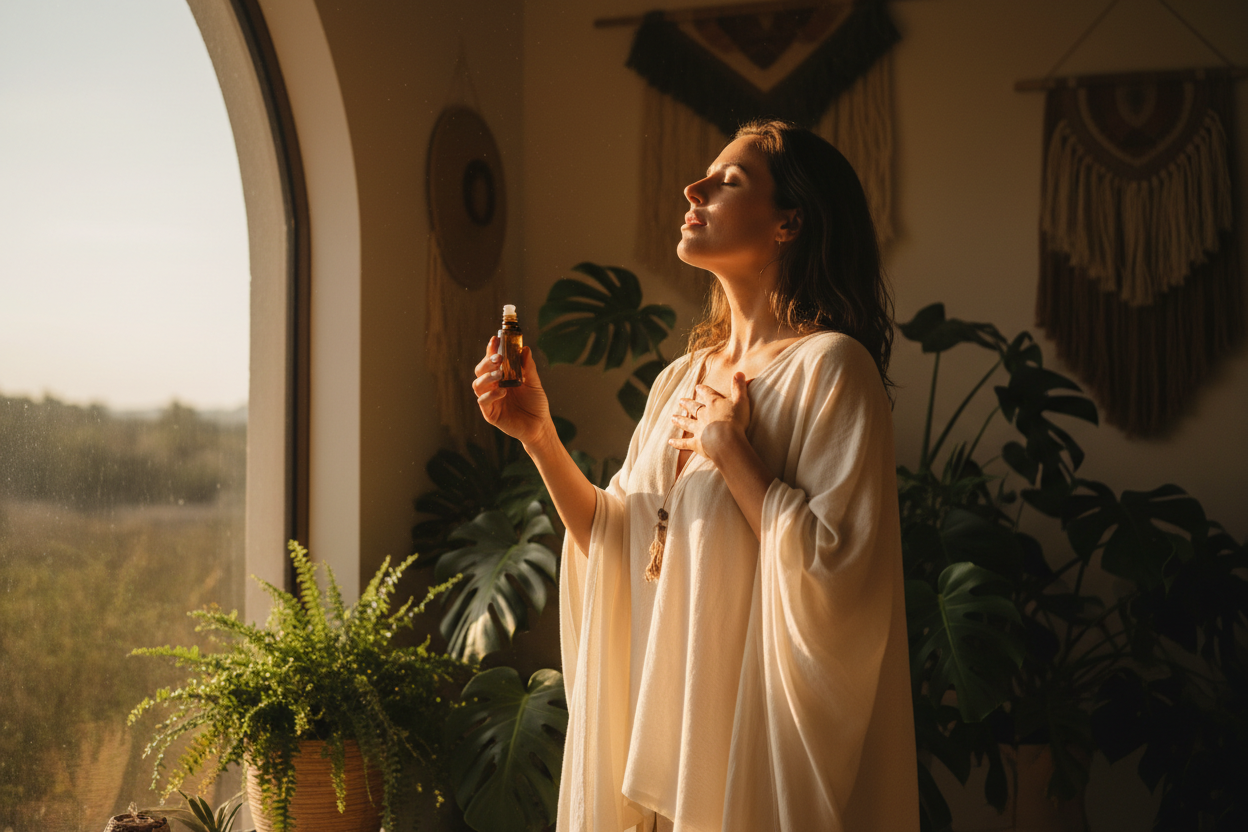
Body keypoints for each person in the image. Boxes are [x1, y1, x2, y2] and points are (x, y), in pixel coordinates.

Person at [472, 120, 918, 832]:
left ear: (789, 222)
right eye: (703, 175)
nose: (693, 187)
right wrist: (538, 434)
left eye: (728, 181)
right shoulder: (679, 378)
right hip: (662, 756)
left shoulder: (832, 370)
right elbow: (616, 539)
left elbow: (843, 580)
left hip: (744, 760)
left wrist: (730, 451)